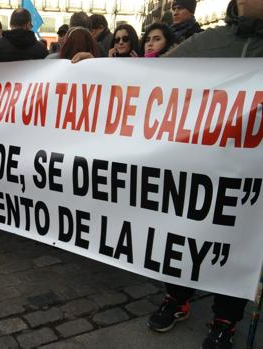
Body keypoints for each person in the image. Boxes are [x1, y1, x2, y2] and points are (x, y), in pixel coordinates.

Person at [148, 2, 263, 348]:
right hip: (197, 168)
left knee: (241, 242)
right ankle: (177, 297)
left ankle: (226, 317)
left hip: (250, 175)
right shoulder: (208, 41)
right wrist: (91, 69)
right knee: (184, 233)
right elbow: (148, 75)